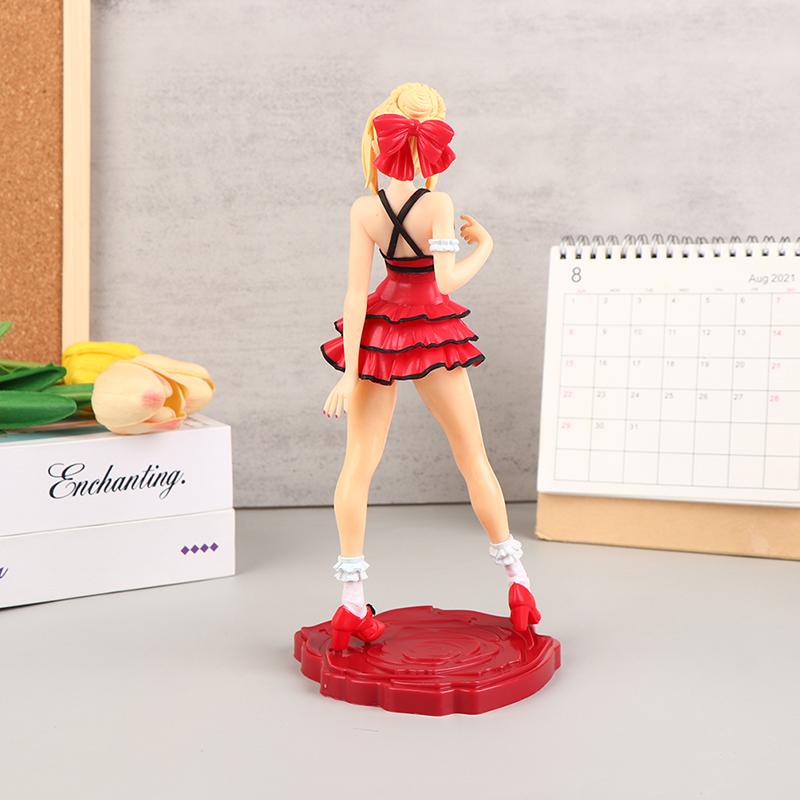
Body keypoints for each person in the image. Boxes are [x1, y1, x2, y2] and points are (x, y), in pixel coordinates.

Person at [321, 83, 539, 651]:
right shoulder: (438, 206)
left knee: (358, 463)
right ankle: (518, 583)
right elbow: (446, 282)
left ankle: (350, 601)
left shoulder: (364, 210)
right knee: (472, 456)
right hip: (432, 332)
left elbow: (355, 294)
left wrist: (349, 372)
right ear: (432, 146)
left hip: (379, 332)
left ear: (379, 141)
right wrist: (484, 245)